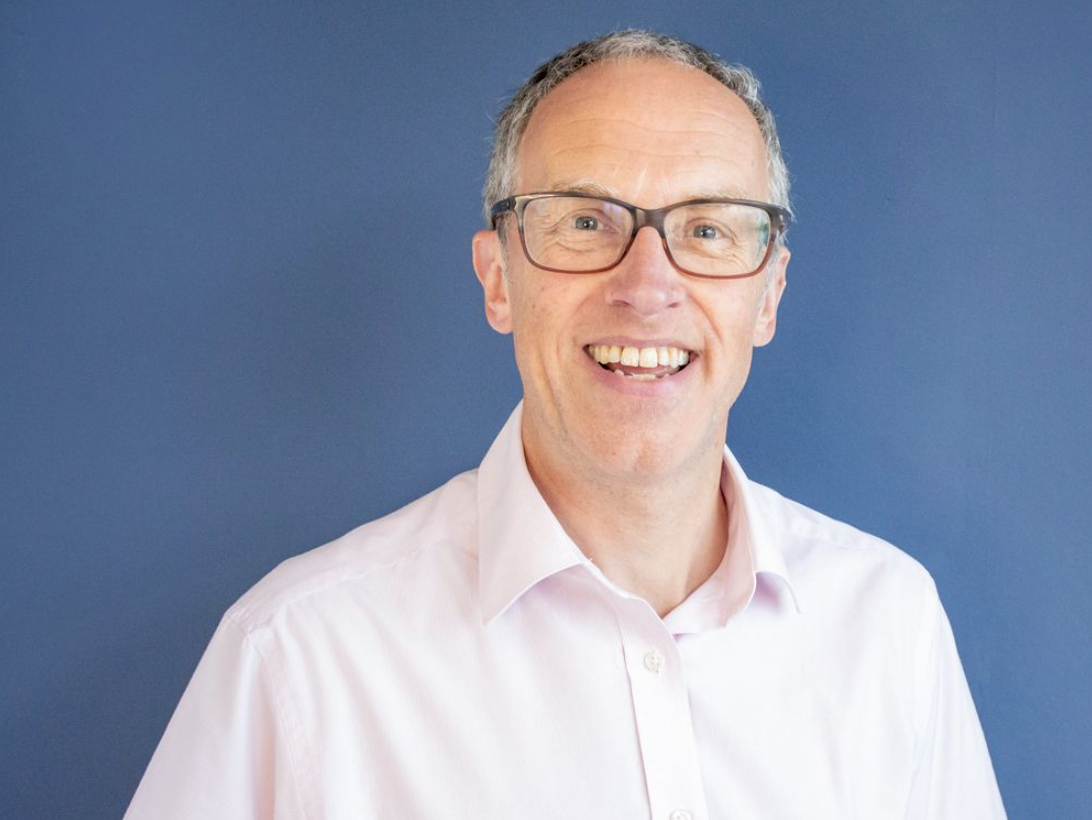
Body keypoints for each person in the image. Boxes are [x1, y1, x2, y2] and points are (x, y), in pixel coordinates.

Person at [125, 30, 1006, 819]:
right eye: (586, 222)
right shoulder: (300, 656)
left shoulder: (890, 624)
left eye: (707, 230)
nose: (647, 284)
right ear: (498, 279)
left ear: (767, 294)